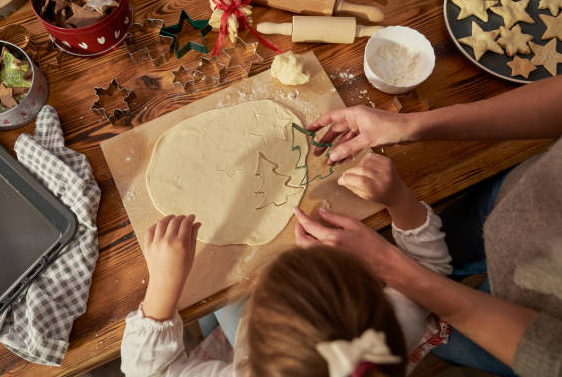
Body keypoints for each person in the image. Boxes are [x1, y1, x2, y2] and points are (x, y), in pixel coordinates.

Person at [297, 75, 562, 377]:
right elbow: (432, 264)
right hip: (518, 202)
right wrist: (398, 194)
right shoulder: (400, 327)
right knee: (449, 336)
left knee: (453, 340)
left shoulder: (390, 331)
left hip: (524, 329)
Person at [120, 152, 455, 376]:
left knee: (219, 303)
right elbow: (430, 276)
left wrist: (163, 287)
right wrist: (399, 199)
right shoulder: (388, 335)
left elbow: (147, 371)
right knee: (219, 310)